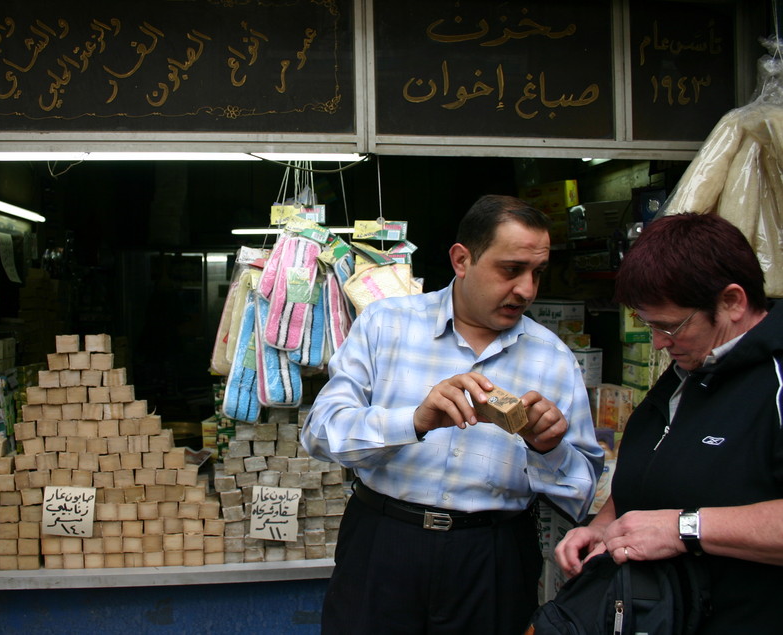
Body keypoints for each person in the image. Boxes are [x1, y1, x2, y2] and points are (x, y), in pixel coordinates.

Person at [301, 194, 604, 634]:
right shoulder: (385, 324)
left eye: (537, 273)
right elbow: (319, 434)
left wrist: (550, 448)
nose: (527, 290)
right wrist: (415, 421)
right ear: (462, 260)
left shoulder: (553, 358)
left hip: (493, 556)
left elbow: (581, 491)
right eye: (511, 269)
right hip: (383, 543)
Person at [554, 212, 783, 633]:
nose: (658, 342)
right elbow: (651, 472)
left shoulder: (775, 379)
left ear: (732, 301)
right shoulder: (688, 368)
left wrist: (685, 527)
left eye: (670, 326)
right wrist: (605, 528)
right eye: (649, 325)